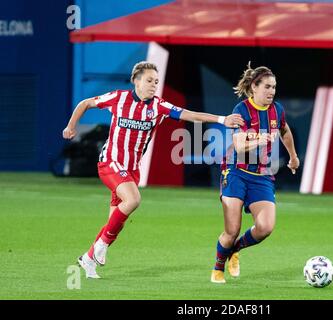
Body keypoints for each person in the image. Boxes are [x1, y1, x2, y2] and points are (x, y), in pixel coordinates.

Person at [62, 61, 244, 279]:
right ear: (136, 81)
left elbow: (190, 115)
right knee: (133, 200)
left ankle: (89, 258)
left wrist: (222, 119)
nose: (153, 85)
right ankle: (100, 247)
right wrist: (71, 126)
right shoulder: (118, 98)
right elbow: (85, 103)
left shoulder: (158, 106)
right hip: (110, 162)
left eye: (156, 82)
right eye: (149, 80)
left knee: (116, 220)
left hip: (131, 170)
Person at [210, 63, 300, 284]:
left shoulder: (277, 109)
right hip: (235, 171)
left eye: (274, 87)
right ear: (254, 87)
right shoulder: (240, 110)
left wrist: (293, 156)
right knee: (231, 230)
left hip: (261, 175)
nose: (271, 91)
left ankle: (235, 250)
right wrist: (259, 139)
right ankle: (218, 269)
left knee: (266, 227)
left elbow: (284, 130)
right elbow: (239, 146)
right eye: (267, 87)